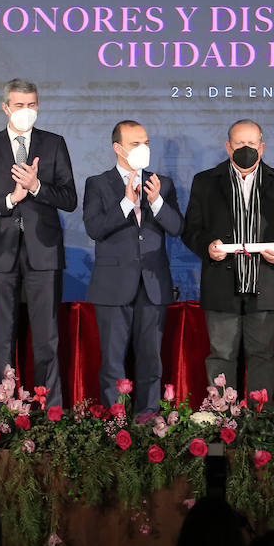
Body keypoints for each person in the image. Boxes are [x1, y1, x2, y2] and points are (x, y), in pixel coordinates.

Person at [0, 79, 78, 407]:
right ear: (5, 107)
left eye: (32, 105)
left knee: (47, 338)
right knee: (1, 337)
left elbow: (69, 198)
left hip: (45, 253)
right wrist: (10, 199)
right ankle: (1, 412)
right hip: (1, 253)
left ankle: (50, 411)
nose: (26, 111)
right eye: (19, 105)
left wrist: (38, 185)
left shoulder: (54, 144)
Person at [183, 119, 274, 401]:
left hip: (265, 281)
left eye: (252, 143)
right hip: (221, 281)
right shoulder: (205, 181)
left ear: (262, 147)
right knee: (221, 355)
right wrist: (207, 247)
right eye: (239, 143)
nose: (246, 148)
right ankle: (222, 420)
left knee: (262, 355)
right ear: (228, 147)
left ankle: (258, 423)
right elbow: (191, 229)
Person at [83, 120, 183, 414]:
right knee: (113, 362)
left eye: (146, 143)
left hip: (153, 284)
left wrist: (157, 202)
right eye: (135, 144)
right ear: (118, 148)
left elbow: (177, 227)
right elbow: (95, 228)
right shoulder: (98, 183)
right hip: (112, 285)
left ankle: (148, 419)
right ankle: (116, 423)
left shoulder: (161, 182)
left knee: (151, 359)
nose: (143, 149)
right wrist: (127, 202)